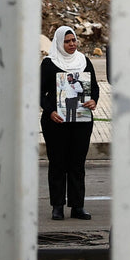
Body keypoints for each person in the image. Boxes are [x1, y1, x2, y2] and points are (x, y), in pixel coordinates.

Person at [40, 26, 98, 220]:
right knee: (58, 163)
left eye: (73, 40)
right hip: (56, 122)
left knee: (77, 163)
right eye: (67, 41)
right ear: (59, 43)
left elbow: (94, 88)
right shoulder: (49, 63)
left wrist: (93, 101)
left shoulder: (84, 61)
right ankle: (57, 205)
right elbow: (40, 93)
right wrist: (50, 111)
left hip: (81, 121)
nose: (72, 44)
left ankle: (77, 206)